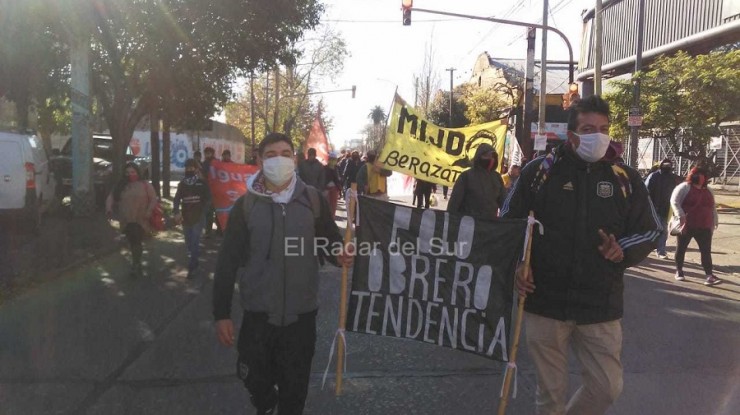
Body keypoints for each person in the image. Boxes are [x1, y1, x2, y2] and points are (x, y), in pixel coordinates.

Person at [501, 95, 662, 415]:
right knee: (550, 398)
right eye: (589, 129)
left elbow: (652, 230)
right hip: (543, 303)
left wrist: (622, 250)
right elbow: (507, 226)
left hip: (600, 306)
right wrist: (518, 264)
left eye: (603, 129)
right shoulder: (538, 172)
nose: (598, 136)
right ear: (571, 135)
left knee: (607, 387)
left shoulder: (624, 178)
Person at [213, 132, 353, 415]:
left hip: (300, 319)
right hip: (258, 316)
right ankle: (265, 402)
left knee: (294, 392)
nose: (279, 160)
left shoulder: (313, 200)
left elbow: (329, 242)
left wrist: (340, 254)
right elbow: (227, 261)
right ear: (259, 160)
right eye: (271, 154)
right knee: (253, 377)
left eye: (286, 154)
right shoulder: (246, 206)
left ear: (296, 159)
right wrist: (222, 313)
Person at [670, 165, 721, 286]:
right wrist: (680, 215)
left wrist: (714, 221)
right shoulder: (684, 187)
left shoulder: (708, 190)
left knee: (706, 251)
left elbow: (712, 207)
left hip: (704, 225)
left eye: (703, 175)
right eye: (699, 174)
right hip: (687, 225)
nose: (702, 177)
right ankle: (679, 271)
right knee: (681, 248)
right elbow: (674, 201)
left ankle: (709, 275)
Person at [105, 162, 157, 277]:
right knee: (133, 241)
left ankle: (135, 263)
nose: (130, 174)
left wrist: (149, 211)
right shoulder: (120, 185)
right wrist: (109, 209)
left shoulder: (145, 185)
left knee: (136, 239)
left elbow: (154, 198)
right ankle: (136, 262)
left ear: (138, 172)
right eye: (127, 172)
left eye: (133, 172)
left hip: (141, 219)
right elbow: (111, 197)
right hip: (126, 219)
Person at [173, 159, 211, 278]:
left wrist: (203, 212)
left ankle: (192, 266)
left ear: (196, 169)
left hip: (198, 218)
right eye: (187, 167)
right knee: (189, 242)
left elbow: (209, 199)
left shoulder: (202, 183)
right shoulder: (182, 183)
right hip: (186, 217)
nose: (189, 169)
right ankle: (194, 259)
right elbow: (177, 199)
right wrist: (176, 212)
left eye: (191, 167)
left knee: (195, 241)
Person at [447, 143, 505, 220]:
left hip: (489, 225)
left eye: (492, 156)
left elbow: (504, 203)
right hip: (468, 224)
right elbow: (454, 203)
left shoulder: (497, 178)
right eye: (486, 156)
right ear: (479, 157)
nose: (490, 159)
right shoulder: (466, 176)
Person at [644, 158, 681, 259]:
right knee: (653, 229)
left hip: (666, 209)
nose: (667, 167)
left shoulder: (673, 178)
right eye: (665, 165)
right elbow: (645, 191)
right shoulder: (654, 176)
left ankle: (661, 251)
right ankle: (648, 249)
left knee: (663, 230)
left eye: (669, 165)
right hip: (653, 208)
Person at [201, 147, 220, 237]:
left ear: (212, 153)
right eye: (206, 153)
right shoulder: (206, 163)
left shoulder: (215, 163)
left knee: (215, 211)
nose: (207, 155)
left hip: (215, 191)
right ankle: (210, 231)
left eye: (209, 153)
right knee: (210, 212)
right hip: (209, 191)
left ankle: (218, 229)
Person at [324, 152, 341, 219]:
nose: (333, 161)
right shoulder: (325, 168)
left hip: (335, 189)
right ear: (328, 159)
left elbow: (339, 178)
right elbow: (323, 178)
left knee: (333, 206)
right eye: (331, 159)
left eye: (334, 159)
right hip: (326, 189)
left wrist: (339, 186)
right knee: (326, 206)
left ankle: (332, 219)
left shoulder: (337, 168)